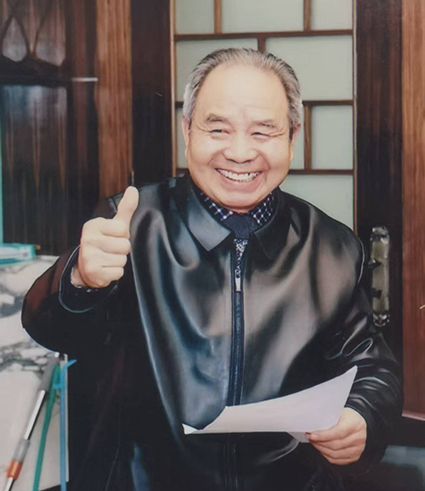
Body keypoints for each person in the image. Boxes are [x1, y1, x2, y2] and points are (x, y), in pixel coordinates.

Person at [22, 48, 402, 491]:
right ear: (187, 130)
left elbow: (373, 368)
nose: (239, 153)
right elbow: (54, 333)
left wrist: (362, 417)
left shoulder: (332, 247)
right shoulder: (131, 227)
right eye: (218, 129)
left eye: (263, 131)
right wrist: (80, 280)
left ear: (293, 137)